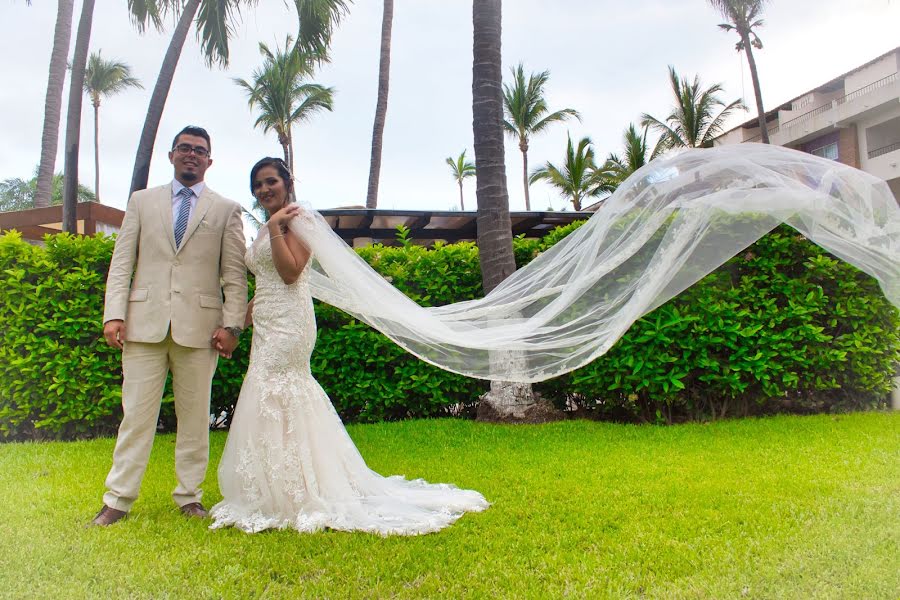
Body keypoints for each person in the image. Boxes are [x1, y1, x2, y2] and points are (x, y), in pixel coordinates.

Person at [210, 157, 488, 535]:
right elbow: (266, 286)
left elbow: (291, 274)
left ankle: (302, 490)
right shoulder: (267, 227)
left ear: (288, 181)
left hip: (291, 325)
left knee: (280, 390)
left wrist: (277, 228)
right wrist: (237, 326)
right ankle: (274, 487)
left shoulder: (299, 221)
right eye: (257, 184)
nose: (263, 190)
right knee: (268, 395)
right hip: (267, 324)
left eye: (270, 181)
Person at [91, 126, 248, 526]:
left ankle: (189, 496)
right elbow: (122, 261)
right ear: (172, 155)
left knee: (195, 418)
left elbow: (233, 274)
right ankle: (118, 499)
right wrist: (114, 313)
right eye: (185, 148)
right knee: (136, 416)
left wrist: (233, 324)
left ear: (209, 161)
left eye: (200, 150)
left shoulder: (226, 209)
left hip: (201, 330)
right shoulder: (142, 202)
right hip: (143, 326)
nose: (191, 155)